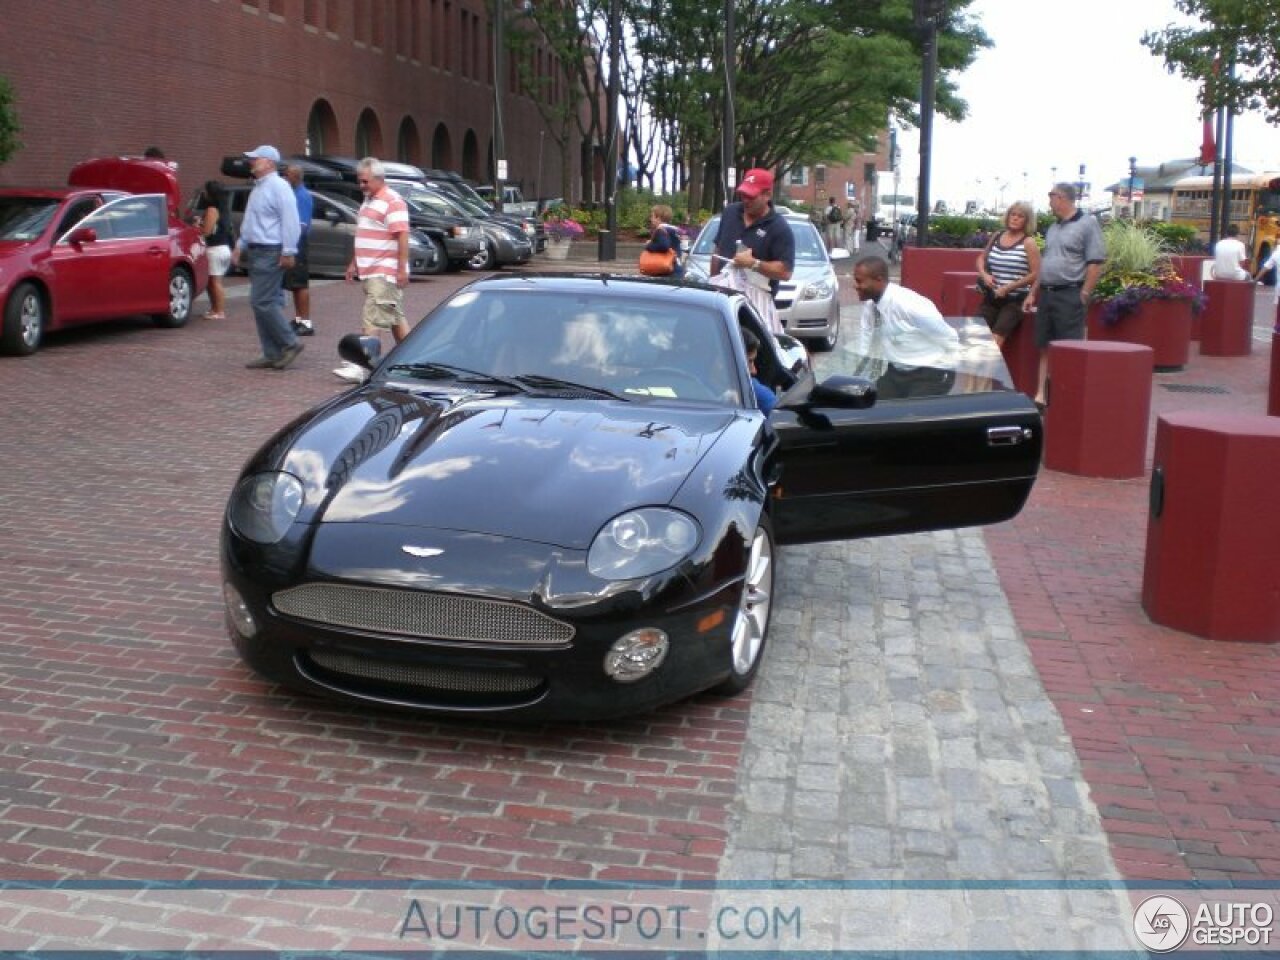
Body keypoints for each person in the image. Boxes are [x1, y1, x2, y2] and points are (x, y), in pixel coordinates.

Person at [1022, 183, 1105, 409]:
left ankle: (1067, 396)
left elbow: (1095, 262)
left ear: (1063, 198)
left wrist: (1085, 293)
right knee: (1044, 345)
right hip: (1047, 293)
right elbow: (1046, 263)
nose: (1049, 202)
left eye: (1051, 196)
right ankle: (1041, 395)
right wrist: (1033, 292)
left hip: (1070, 293)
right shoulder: (1053, 228)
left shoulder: (1088, 224)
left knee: (1069, 346)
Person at [334, 157, 412, 383]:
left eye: (365, 182)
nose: (361, 186)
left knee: (372, 317)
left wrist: (401, 270)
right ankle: (413, 360)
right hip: (371, 270)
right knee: (396, 320)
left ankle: (362, 367)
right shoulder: (368, 201)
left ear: (379, 178)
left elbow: (402, 235)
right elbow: (364, 233)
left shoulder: (392, 201)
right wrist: (354, 262)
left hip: (384, 271)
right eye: (360, 181)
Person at [231, 145, 302, 370]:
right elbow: (251, 221)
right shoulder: (259, 188)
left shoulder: (278, 187)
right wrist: (241, 243)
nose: (252, 162)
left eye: (256, 159)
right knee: (264, 301)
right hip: (259, 249)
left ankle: (289, 342)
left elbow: (290, 220)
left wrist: (289, 250)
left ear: (270, 162)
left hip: (270, 250)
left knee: (261, 301)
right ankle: (272, 352)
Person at [853, 254, 959, 400]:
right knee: (873, 409)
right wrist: (860, 380)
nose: (855, 286)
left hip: (930, 372)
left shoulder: (909, 305)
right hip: (898, 372)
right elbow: (865, 343)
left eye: (859, 281)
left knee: (910, 417)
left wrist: (947, 368)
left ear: (879, 280)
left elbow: (948, 337)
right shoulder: (870, 306)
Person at [709, 168, 795, 333]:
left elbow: (785, 272)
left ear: (767, 195)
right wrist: (712, 281)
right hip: (722, 298)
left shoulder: (778, 227)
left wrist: (753, 263)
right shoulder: (730, 212)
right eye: (743, 195)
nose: (746, 200)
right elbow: (718, 250)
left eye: (751, 196)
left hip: (755, 307)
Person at [975, 201, 1041, 348]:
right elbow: (981, 258)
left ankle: (985, 371)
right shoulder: (997, 236)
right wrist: (984, 275)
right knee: (975, 336)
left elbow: (1036, 273)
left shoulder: (1028, 242)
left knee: (994, 342)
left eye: (1020, 216)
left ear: (1027, 220)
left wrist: (1010, 287)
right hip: (991, 297)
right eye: (1013, 214)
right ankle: (974, 371)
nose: (1015, 218)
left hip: (1014, 300)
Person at [283, 164, 315, 335]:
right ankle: (299, 319)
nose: (285, 178)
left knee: (300, 284)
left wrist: (289, 241)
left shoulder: (302, 196)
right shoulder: (294, 194)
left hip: (298, 244)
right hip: (294, 243)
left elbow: (301, 225)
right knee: (295, 285)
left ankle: (306, 322)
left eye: (287, 175)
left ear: (296, 177)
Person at [197, 180, 232, 321]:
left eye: (206, 191)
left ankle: (219, 311)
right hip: (223, 248)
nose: (203, 193)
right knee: (212, 281)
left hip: (215, 249)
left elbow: (206, 231)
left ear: (211, 194)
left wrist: (197, 226)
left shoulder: (212, 209)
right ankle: (214, 309)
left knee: (215, 282)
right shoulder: (224, 209)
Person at [740, 327, 777, 414]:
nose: (754, 371)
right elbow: (781, 418)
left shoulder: (755, 391)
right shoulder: (751, 390)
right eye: (749, 361)